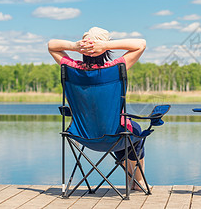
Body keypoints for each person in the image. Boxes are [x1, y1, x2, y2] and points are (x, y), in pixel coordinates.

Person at [48, 26, 147, 191]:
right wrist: (106, 45)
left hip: (82, 135)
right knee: (133, 131)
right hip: (115, 136)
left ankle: (134, 182)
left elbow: (51, 45)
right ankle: (138, 182)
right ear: (105, 50)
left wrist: (74, 46)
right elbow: (141, 44)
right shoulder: (115, 68)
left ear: (82, 48)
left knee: (124, 131)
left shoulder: (72, 68)